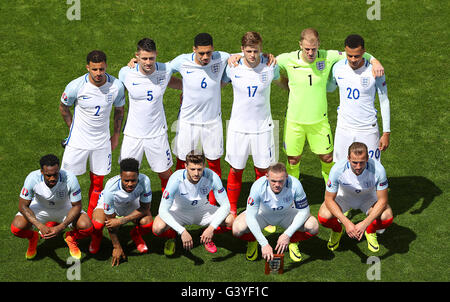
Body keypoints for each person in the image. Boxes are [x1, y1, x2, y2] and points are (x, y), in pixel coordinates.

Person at [275, 28, 384, 184]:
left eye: (314, 49)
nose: (310, 53)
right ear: (300, 45)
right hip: (294, 122)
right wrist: (282, 83)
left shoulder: (328, 56)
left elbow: (356, 53)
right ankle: (292, 193)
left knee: (327, 158)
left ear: (319, 44)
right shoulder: (287, 59)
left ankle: (331, 192)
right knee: (293, 159)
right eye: (307, 49)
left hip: (319, 122)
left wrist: (374, 61)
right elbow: (266, 62)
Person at [59, 50, 125, 218]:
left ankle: (88, 219)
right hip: (78, 141)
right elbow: (63, 107)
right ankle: (65, 216)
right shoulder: (76, 86)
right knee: (66, 181)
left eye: (101, 69)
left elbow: (119, 110)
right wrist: (72, 128)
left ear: (106, 67)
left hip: (101, 142)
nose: (98, 73)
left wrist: (116, 135)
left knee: (97, 182)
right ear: (87, 67)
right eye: (94, 69)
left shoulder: (116, 86)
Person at [223, 31, 279, 216]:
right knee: (236, 169)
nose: (252, 55)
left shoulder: (270, 66)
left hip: (263, 128)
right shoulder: (232, 67)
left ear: (261, 49)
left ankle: (260, 208)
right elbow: (218, 77)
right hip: (238, 129)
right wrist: (232, 56)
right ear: (242, 50)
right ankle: (232, 208)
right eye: (248, 51)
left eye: (256, 51)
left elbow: (286, 80)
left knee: (263, 170)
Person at [118, 38, 182, 193]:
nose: (148, 62)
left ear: (156, 55)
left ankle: (170, 204)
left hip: (157, 134)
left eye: (151, 58)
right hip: (133, 135)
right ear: (136, 56)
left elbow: (177, 78)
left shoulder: (165, 70)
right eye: (144, 58)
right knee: (127, 173)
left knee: (165, 173)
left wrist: (187, 90)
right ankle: (127, 206)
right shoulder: (126, 73)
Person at [10, 154, 93, 260]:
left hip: (64, 208)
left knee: (87, 226)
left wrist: (61, 226)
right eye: (48, 175)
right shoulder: (32, 178)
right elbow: (22, 205)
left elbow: (77, 206)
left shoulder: (70, 178)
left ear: (58, 169)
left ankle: (71, 237)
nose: (52, 178)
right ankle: (33, 237)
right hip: (40, 208)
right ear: (41, 172)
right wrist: (39, 226)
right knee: (17, 227)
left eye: (55, 174)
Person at [232, 163, 319, 262]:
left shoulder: (295, 184)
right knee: (237, 229)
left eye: (281, 181)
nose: (277, 185)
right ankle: (253, 239)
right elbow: (251, 217)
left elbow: (304, 211)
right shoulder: (258, 186)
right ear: (267, 176)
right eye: (273, 181)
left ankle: (293, 241)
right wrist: (264, 243)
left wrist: (287, 234)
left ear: (286, 176)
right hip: (263, 214)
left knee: (313, 226)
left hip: (287, 214)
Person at [152, 151, 233, 256]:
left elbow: (226, 206)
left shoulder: (212, 176)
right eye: (192, 169)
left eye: (199, 169)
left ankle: (206, 235)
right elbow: (162, 211)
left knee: (230, 220)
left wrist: (211, 228)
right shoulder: (176, 179)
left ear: (204, 165)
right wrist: (182, 231)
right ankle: (171, 236)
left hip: (203, 211)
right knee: (158, 227)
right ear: (185, 166)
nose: (196, 173)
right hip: (179, 212)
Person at [317, 142, 393, 252]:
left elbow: (383, 200)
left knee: (387, 216)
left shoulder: (378, 170)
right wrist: (346, 222)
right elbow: (328, 199)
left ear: (367, 158)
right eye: (354, 162)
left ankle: (370, 231)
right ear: (348, 158)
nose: (358, 167)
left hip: (368, 199)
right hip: (344, 198)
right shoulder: (337, 169)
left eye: (362, 162)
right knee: (323, 216)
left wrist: (364, 224)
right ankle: (338, 230)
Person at [327, 34, 391, 162]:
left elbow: (384, 100)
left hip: (368, 128)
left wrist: (386, 132)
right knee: (341, 168)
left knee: (371, 168)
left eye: (357, 56)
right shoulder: (337, 68)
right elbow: (329, 88)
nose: (353, 59)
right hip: (344, 128)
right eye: (349, 55)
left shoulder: (375, 70)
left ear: (364, 52)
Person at [89, 158, 153, 266]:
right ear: (120, 177)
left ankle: (136, 235)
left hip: (131, 203)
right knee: (98, 224)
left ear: (138, 176)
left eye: (133, 180)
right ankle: (97, 237)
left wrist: (122, 221)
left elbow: (145, 208)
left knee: (147, 222)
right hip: (113, 204)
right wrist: (116, 246)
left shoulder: (145, 180)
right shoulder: (110, 187)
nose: (130, 184)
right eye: (126, 181)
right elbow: (110, 221)